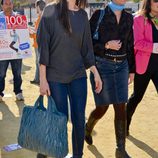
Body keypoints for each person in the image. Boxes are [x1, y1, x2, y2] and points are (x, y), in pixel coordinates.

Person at [36, 0, 102, 158]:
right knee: (60, 120)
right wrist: (43, 79)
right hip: (55, 77)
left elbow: (87, 48)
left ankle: (77, 155)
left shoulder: (82, 15)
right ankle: (49, 150)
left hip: (78, 75)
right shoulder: (50, 11)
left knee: (79, 120)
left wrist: (95, 71)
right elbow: (43, 46)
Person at [85, 0, 135, 157]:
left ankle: (120, 149)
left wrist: (132, 70)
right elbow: (87, 44)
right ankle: (88, 128)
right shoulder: (98, 15)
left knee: (121, 106)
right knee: (103, 107)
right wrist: (106, 45)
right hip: (102, 67)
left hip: (122, 66)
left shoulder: (128, 17)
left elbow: (130, 45)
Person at [126, 0, 158, 136]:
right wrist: (154, 47)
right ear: (148, 2)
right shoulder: (139, 18)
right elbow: (137, 43)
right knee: (136, 97)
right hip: (143, 66)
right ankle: (125, 123)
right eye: (156, 0)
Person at [0, 0, 24, 102]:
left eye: (10, 4)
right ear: (2, 5)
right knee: (1, 74)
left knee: (17, 73)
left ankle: (18, 92)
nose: (8, 6)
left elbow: (23, 34)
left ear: (13, 5)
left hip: (16, 53)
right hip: (2, 52)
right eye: (6, 4)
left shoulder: (18, 18)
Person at [29, 0, 46, 85]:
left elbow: (40, 32)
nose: (36, 8)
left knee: (39, 62)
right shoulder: (40, 17)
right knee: (37, 62)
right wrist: (31, 33)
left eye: (36, 7)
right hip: (37, 43)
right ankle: (37, 78)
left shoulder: (42, 17)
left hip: (39, 44)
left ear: (38, 7)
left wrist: (33, 32)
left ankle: (39, 79)